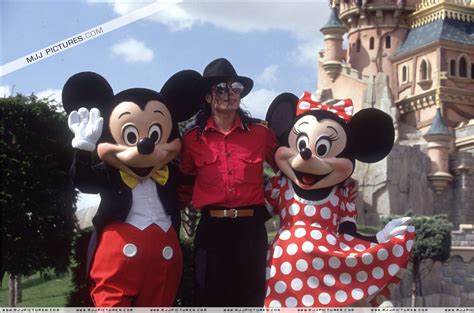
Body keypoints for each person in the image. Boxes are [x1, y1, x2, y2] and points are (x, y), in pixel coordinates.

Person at [178, 58, 278, 307]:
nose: (230, 93)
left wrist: (339, 187)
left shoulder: (261, 134)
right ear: (208, 97)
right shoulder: (192, 140)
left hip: (250, 229)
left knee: (251, 296)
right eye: (221, 88)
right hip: (212, 229)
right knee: (208, 296)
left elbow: (288, 169)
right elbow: (184, 184)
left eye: (236, 88)